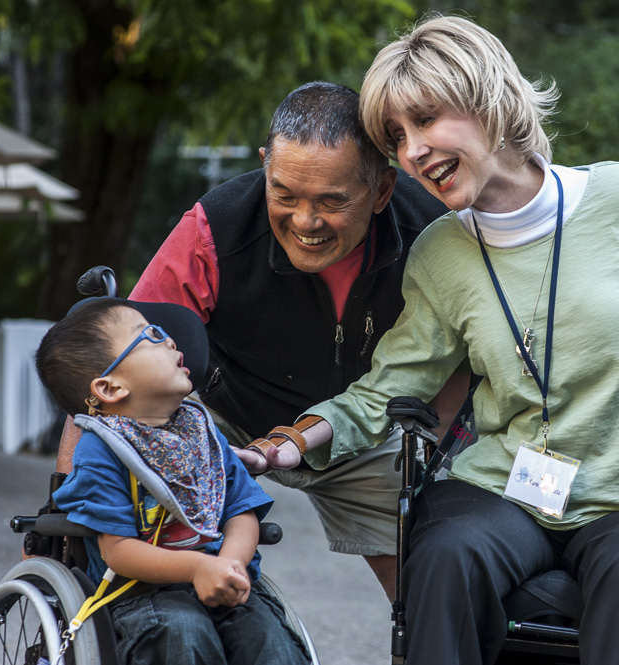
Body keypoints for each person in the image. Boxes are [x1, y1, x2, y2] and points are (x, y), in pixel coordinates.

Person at [241, 15, 619, 663]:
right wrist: (290, 443)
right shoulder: (440, 250)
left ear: (488, 99)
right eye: (397, 136)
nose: (411, 150)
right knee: (444, 552)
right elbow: (388, 386)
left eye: (426, 119)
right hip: (505, 489)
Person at [120, 81, 450, 600]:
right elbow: (120, 359)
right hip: (231, 419)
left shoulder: (434, 231)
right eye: (284, 194)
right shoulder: (215, 227)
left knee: (433, 591)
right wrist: (62, 506)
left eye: (331, 201)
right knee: (146, 542)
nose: (305, 221)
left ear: (383, 190)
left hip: (368, 427)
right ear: (265, 165)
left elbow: (463, 362)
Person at [36, 297, 309, 664]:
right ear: (111, 388)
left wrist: (230, 565)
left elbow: (241, 510)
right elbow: (118, 550)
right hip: (143, 593)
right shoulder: (102, 451)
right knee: (182, 633)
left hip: (225, 581)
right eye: (148, 335)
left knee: (271, 641)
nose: (167, 339)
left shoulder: (202, 433)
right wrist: (198, 568)